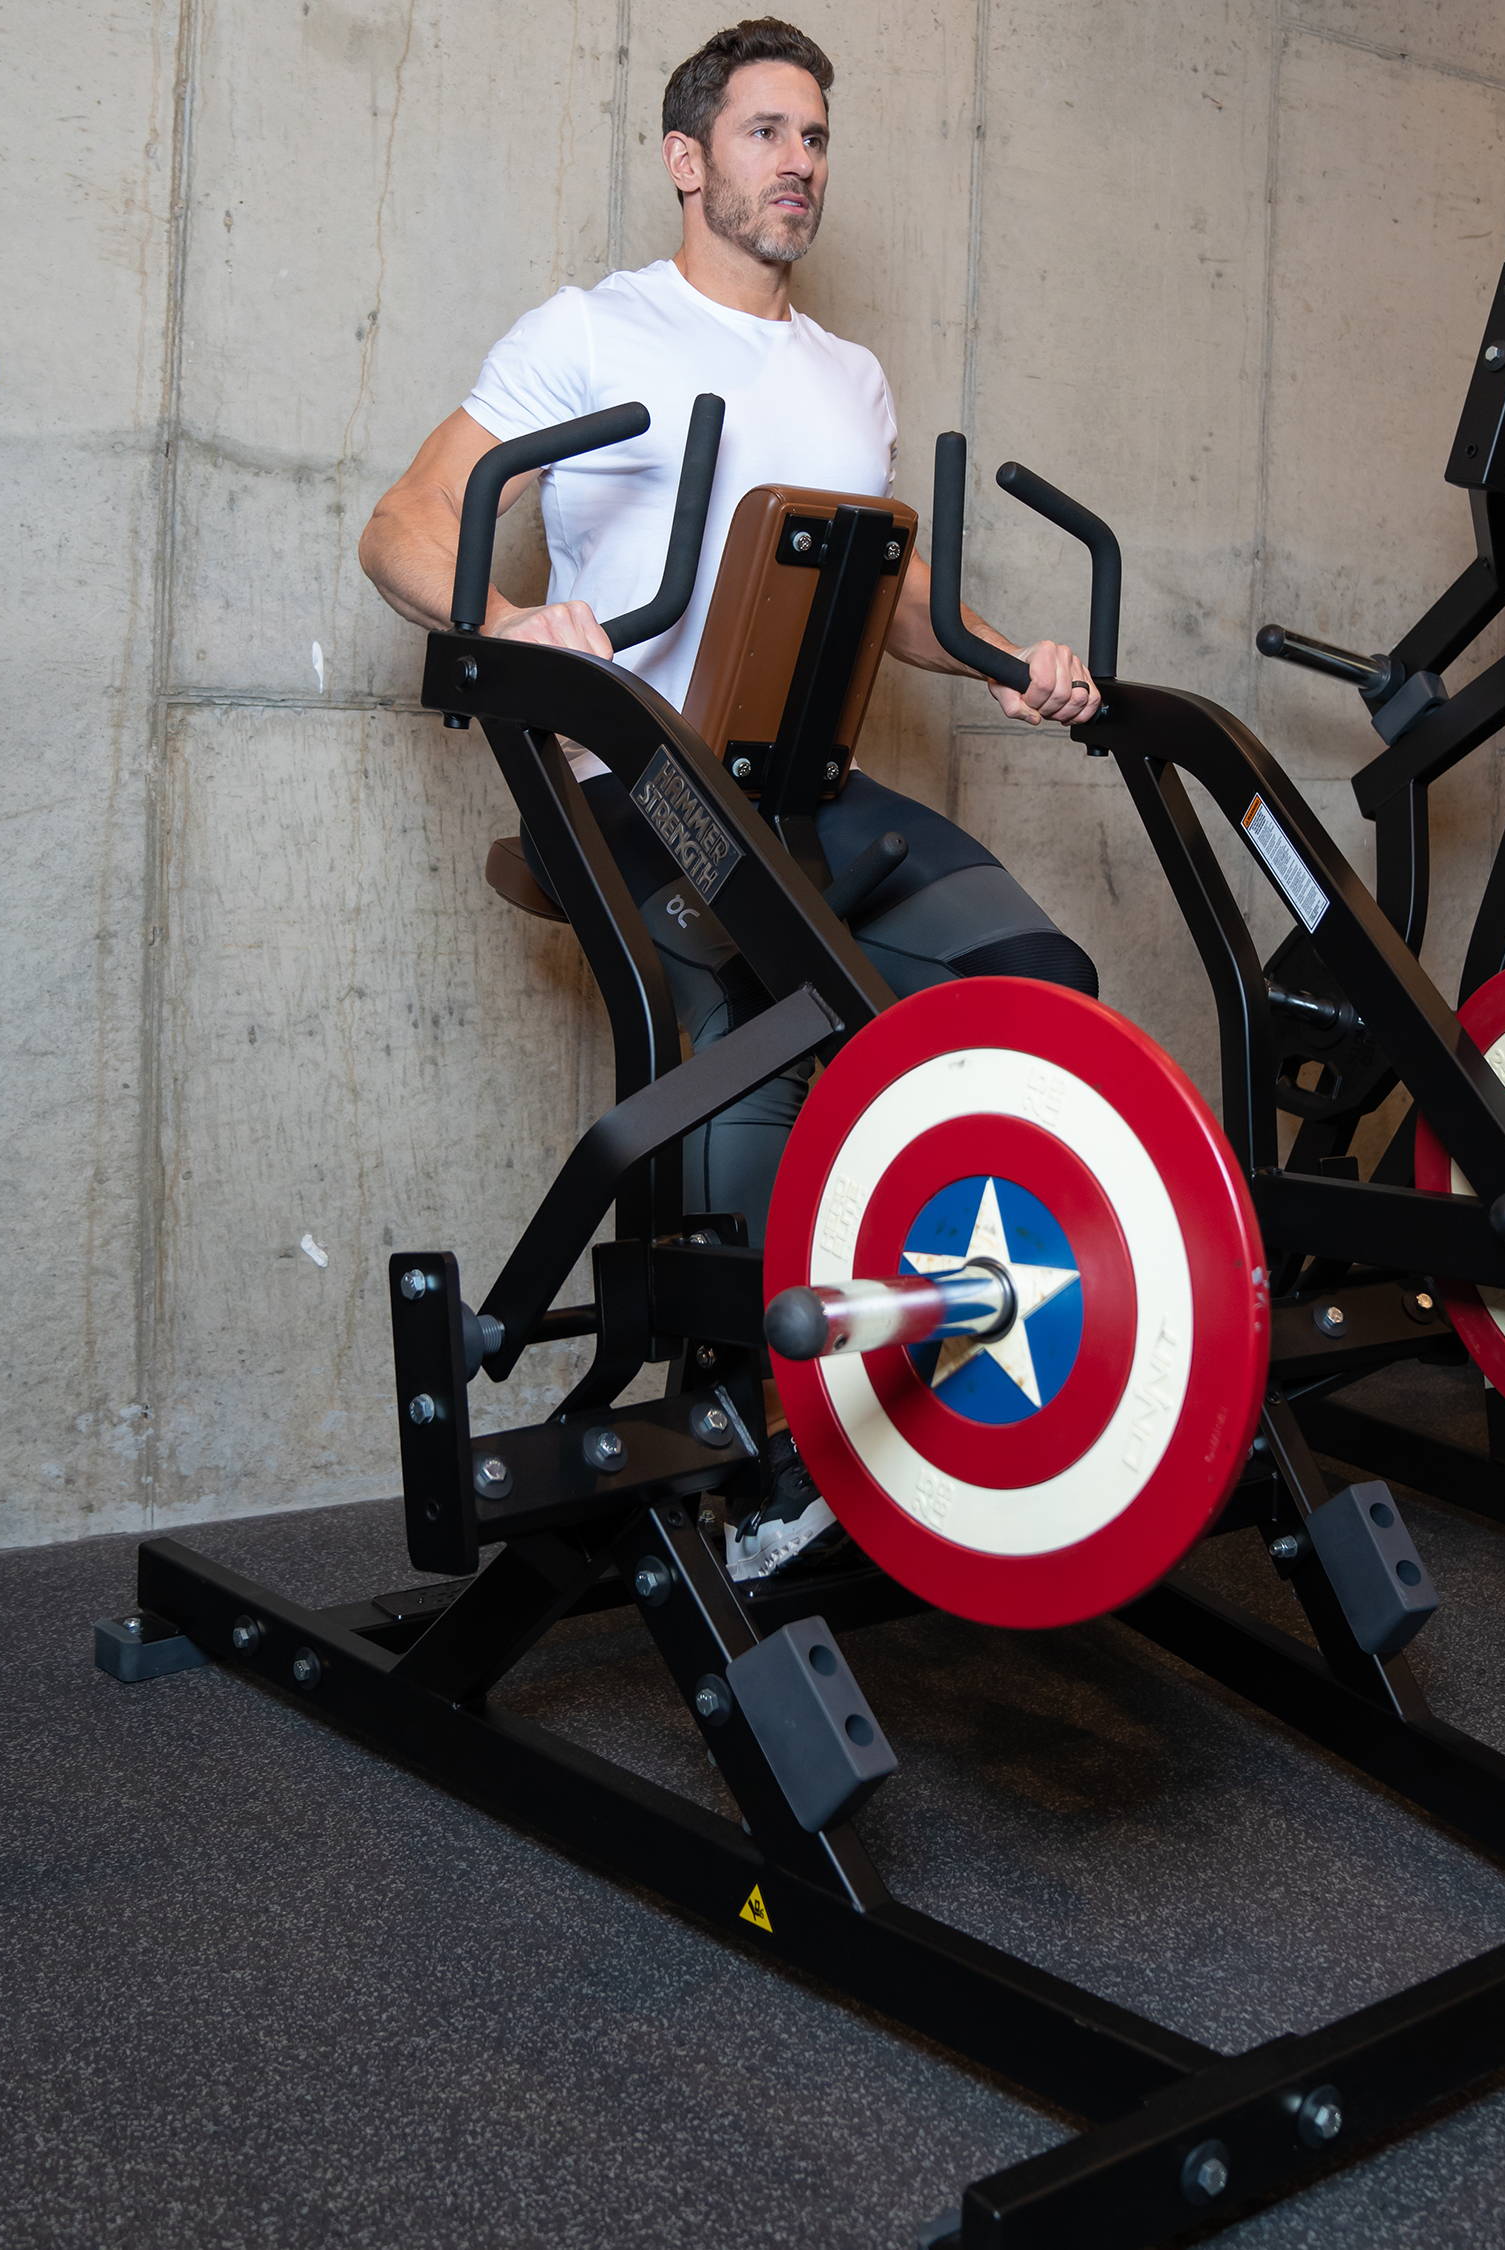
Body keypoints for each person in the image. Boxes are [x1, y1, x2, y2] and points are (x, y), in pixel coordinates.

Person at [360, 17, 1098, 1578]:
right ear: (690, 161)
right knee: (770, 1029)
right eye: (768, 133)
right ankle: (763, 1446)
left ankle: (937, 1363)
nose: (801, 165)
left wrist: (1003, 658)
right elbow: (405, 523)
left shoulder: (851, 374)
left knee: (1040, 986)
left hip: (804, 788)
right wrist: (508, 623)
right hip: (639, 794)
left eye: (817, 137)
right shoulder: (590, 331)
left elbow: (886, 595)